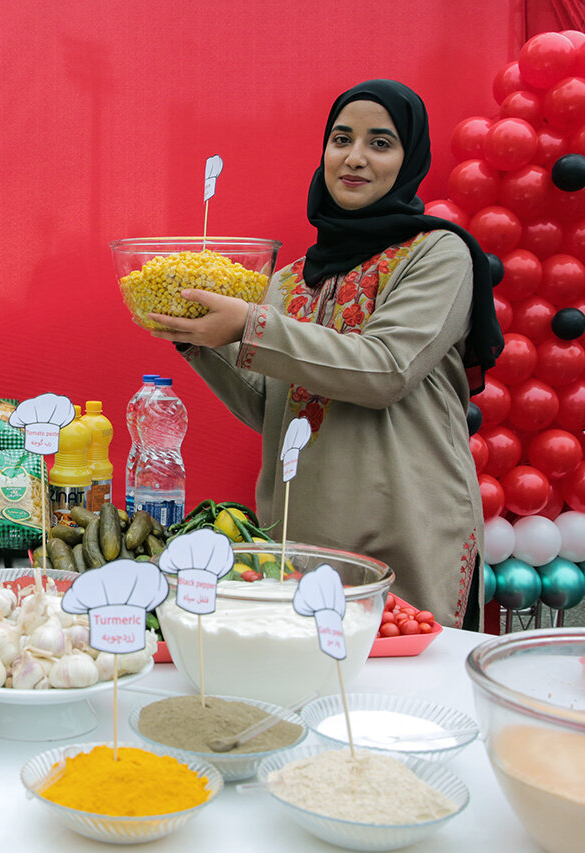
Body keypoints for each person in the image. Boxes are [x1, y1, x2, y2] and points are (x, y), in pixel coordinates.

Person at [149, 79, 502, 629]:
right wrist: (197, 338)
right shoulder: (290, 279)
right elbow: (268, 406)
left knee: (402, 703)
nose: (354, 157)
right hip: (303, 537)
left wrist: (247, 323)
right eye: (341, 139)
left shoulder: (438, 255)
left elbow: (385, 368)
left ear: (411, 159)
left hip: (406, 529)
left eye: (380, 143)